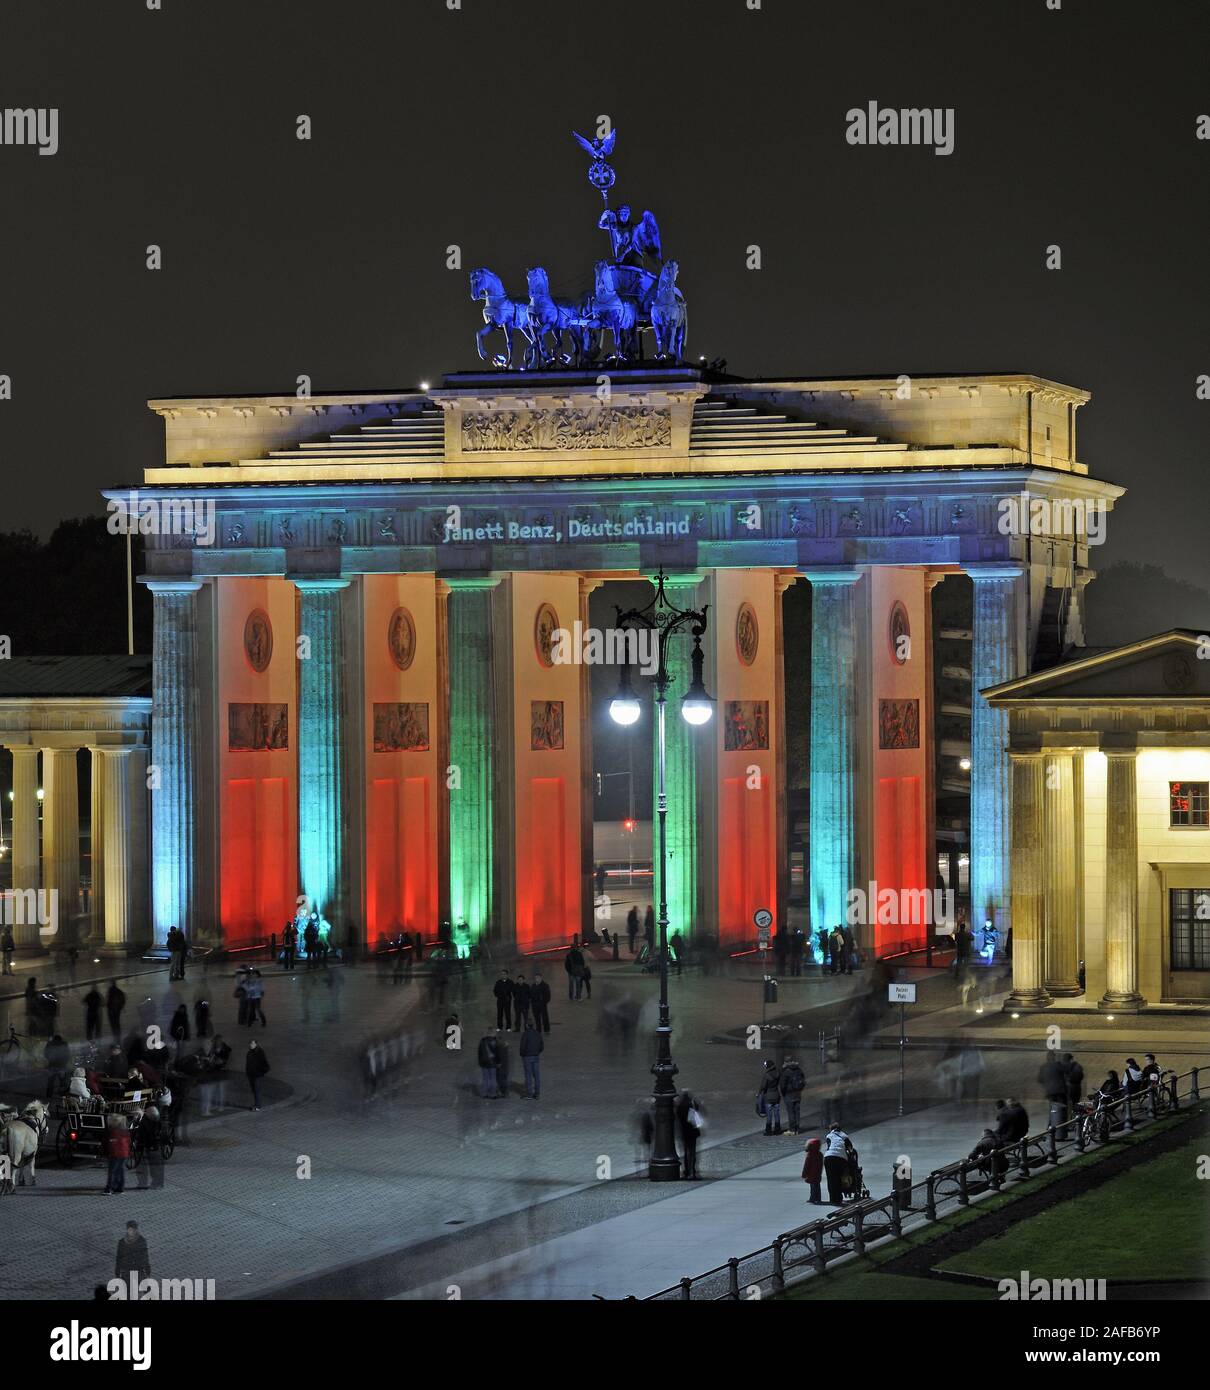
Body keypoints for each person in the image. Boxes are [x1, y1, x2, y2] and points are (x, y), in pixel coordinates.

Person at [1038, 1050, 1068, 1133]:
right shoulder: (1058, 1065)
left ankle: (1050, 1125)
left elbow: (1040, 1079)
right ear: (1054, 1057)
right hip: (1060, 1091)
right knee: (1062, 1109)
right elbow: (1067, 1071)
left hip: (1050, 1091)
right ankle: (1062, 1126)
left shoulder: (1043, 1066)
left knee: (1052, 1109)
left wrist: (1047, 1084)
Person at [675, 1089, 702, 1179]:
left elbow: (677, 1116)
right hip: (693, 1131)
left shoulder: (680, 1105)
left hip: (684, 1131)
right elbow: (698, 1111)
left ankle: (686, 1171)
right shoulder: (693, 1103)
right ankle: (692, 1171)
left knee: (685, 1152)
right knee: (692, 1151)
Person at [822, 1123, 851, 1205]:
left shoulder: (829, 1135)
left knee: (831, 1179)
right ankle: (839, 1198)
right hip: (841, 1159)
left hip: (829, 1158)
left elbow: (829, 1146)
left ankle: (833, 1199)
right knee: (839, 1178)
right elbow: (850, 1148)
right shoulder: (844, 1136)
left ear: (831, 1129)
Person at [104, 1113, 131, 1193]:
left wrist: (107, 1152)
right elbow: (128, 1142)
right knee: (121, 1170)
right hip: (124, 1154)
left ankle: (109, 1188)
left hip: (115, 1154)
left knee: (112, 1171)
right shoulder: (125, 1131)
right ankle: (120, 1188)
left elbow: (109, 1144)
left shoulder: (112, 1132)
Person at [779, 1056, 806, 1135]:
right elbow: (803, 1081)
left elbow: (782, 1085)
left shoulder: (786, 1071)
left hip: (789, 1094)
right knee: (797, 1112)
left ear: (785, 1062)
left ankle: (792, 1129)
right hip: (798, 1094)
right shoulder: (799, 1069)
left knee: (791, 1112)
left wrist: (783, 1093)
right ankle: (797, 1129)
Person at [520, 1020, 543, 1099]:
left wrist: (522, 1055)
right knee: (536, 1075)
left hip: (527, 1057)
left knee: (528, 1075)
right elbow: (541, 1046)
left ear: (526, 1025)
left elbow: (522, 1047)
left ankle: (529, 1094)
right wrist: (537, 1052)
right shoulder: (537, 1033)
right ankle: (537, 1093)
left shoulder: (525, 1034)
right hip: (536, 1056)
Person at [759, 1059, 783, 1135]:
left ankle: (768, 1130)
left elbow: (763, 1086)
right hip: (776, 1095)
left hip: (768, 1096)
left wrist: (759, 1093)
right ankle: (777, 1129)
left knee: (769, 1114)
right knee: (777, 1113)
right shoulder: (778, 1073)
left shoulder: (767, 1075)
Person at [245, 1039, 269, 1111]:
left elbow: (264, 1063)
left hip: (257, 1075)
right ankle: (256, 1104)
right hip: (251, 1074)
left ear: (256, 1044)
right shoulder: (249, 1052)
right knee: (254, 1090)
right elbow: (248, 1063)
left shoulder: (260, 1052)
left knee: (257, 1089)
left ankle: (258, 1106)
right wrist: (247, 1071)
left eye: (252, 1043)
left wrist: (260, 1071)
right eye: (250, 1043)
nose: (251, 1045)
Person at [44, 1033, 70, 1097]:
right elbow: (67, 1055)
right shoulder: (64, 1044)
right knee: (62, 1082)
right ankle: (63, 1095)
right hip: (61, 1066)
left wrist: (50, 1059)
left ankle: (49, 1095)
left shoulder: (50, 1044)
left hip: (53, 1066)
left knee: (51, 1082)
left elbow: (46, 1053)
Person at [802, 1136, 824, 1203]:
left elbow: (806, 1165)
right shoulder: (820, 1154)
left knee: (813, 1187)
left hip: (811, 1173)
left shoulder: (810, 1154)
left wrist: (804, 1174)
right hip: (818, 1173)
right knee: (817, 1186)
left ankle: (812, 1198)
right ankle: (818, 1198)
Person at [477, 1032, 500, 1098]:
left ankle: (484, 1093)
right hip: (493, 1062)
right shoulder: (495, 1041)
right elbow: (497, 1053)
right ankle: (493, 1094)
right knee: (493, 1078)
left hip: (484, 1063)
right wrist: (498, 1062)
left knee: (485, 1079)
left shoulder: (482, 1041)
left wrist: (480, 1062)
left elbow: (479, 1053)